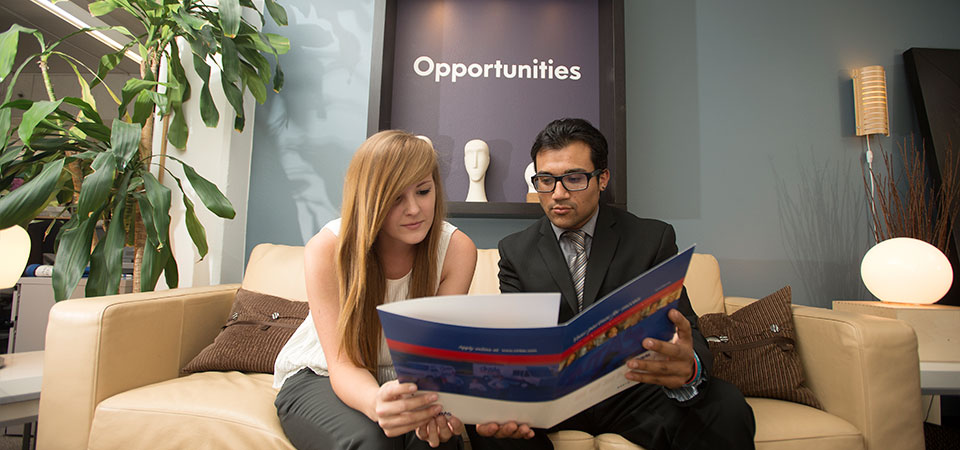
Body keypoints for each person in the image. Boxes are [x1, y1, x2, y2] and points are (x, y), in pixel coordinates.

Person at [467, 118, 755, 450]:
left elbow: (684, 326)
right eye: (545, 180)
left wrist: (689, 366)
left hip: (632, 389)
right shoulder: (515, 250)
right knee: (483, 412)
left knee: (725, 405)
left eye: (574, 179)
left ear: (602, 178)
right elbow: (516, 337)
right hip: (552, 395)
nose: (557, 194)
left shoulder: (651, 239)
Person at [274, 130, 478, 450]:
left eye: (423, 191)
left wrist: (440, 411)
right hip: (322, 373)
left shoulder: (457, 249)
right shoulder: (327, 249)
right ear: (369, 197)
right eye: (396, 197)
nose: (414, 209)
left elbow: (435, 361)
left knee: (437, 444)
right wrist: (374, 402)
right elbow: (342, 364)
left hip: (410, 380)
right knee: (371, 442)